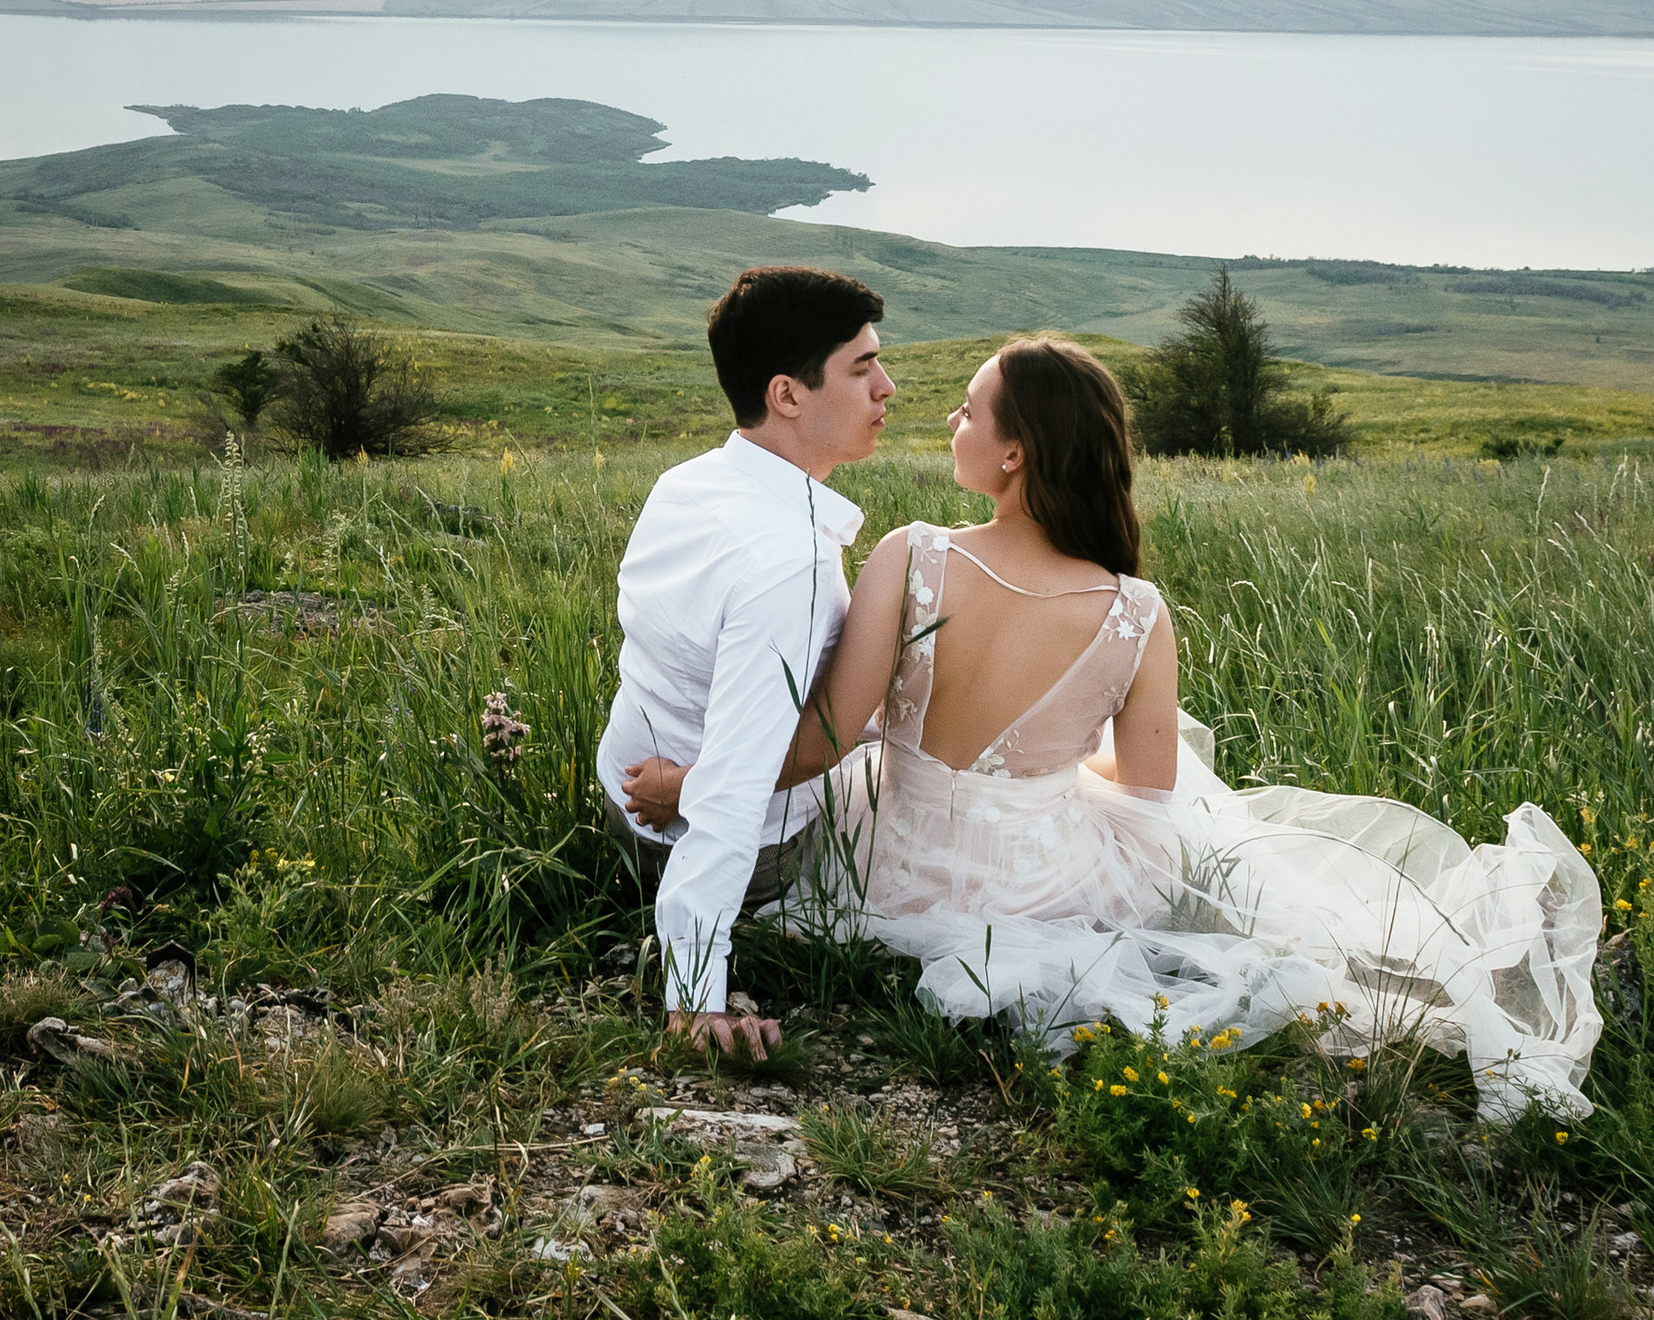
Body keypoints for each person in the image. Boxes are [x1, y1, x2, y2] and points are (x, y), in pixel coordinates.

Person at [624, 336, 1603, 1118]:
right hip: (1046, 872)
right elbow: (1147, 794)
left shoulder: (909, 554)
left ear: (1013, 452)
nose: (950, 417)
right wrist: (1043, 764)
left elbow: (824, 739)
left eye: (969, 408)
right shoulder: (1137, 608)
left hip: (896, 855)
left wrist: (692, 784)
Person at [596, 266, 895, 1060]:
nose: (887, 387)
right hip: (732, 847)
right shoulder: (786, 562)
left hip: (622, 801)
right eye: (862, 369)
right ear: (787, 395)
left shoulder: (689, 481)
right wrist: (696, 993)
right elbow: (729, 791)